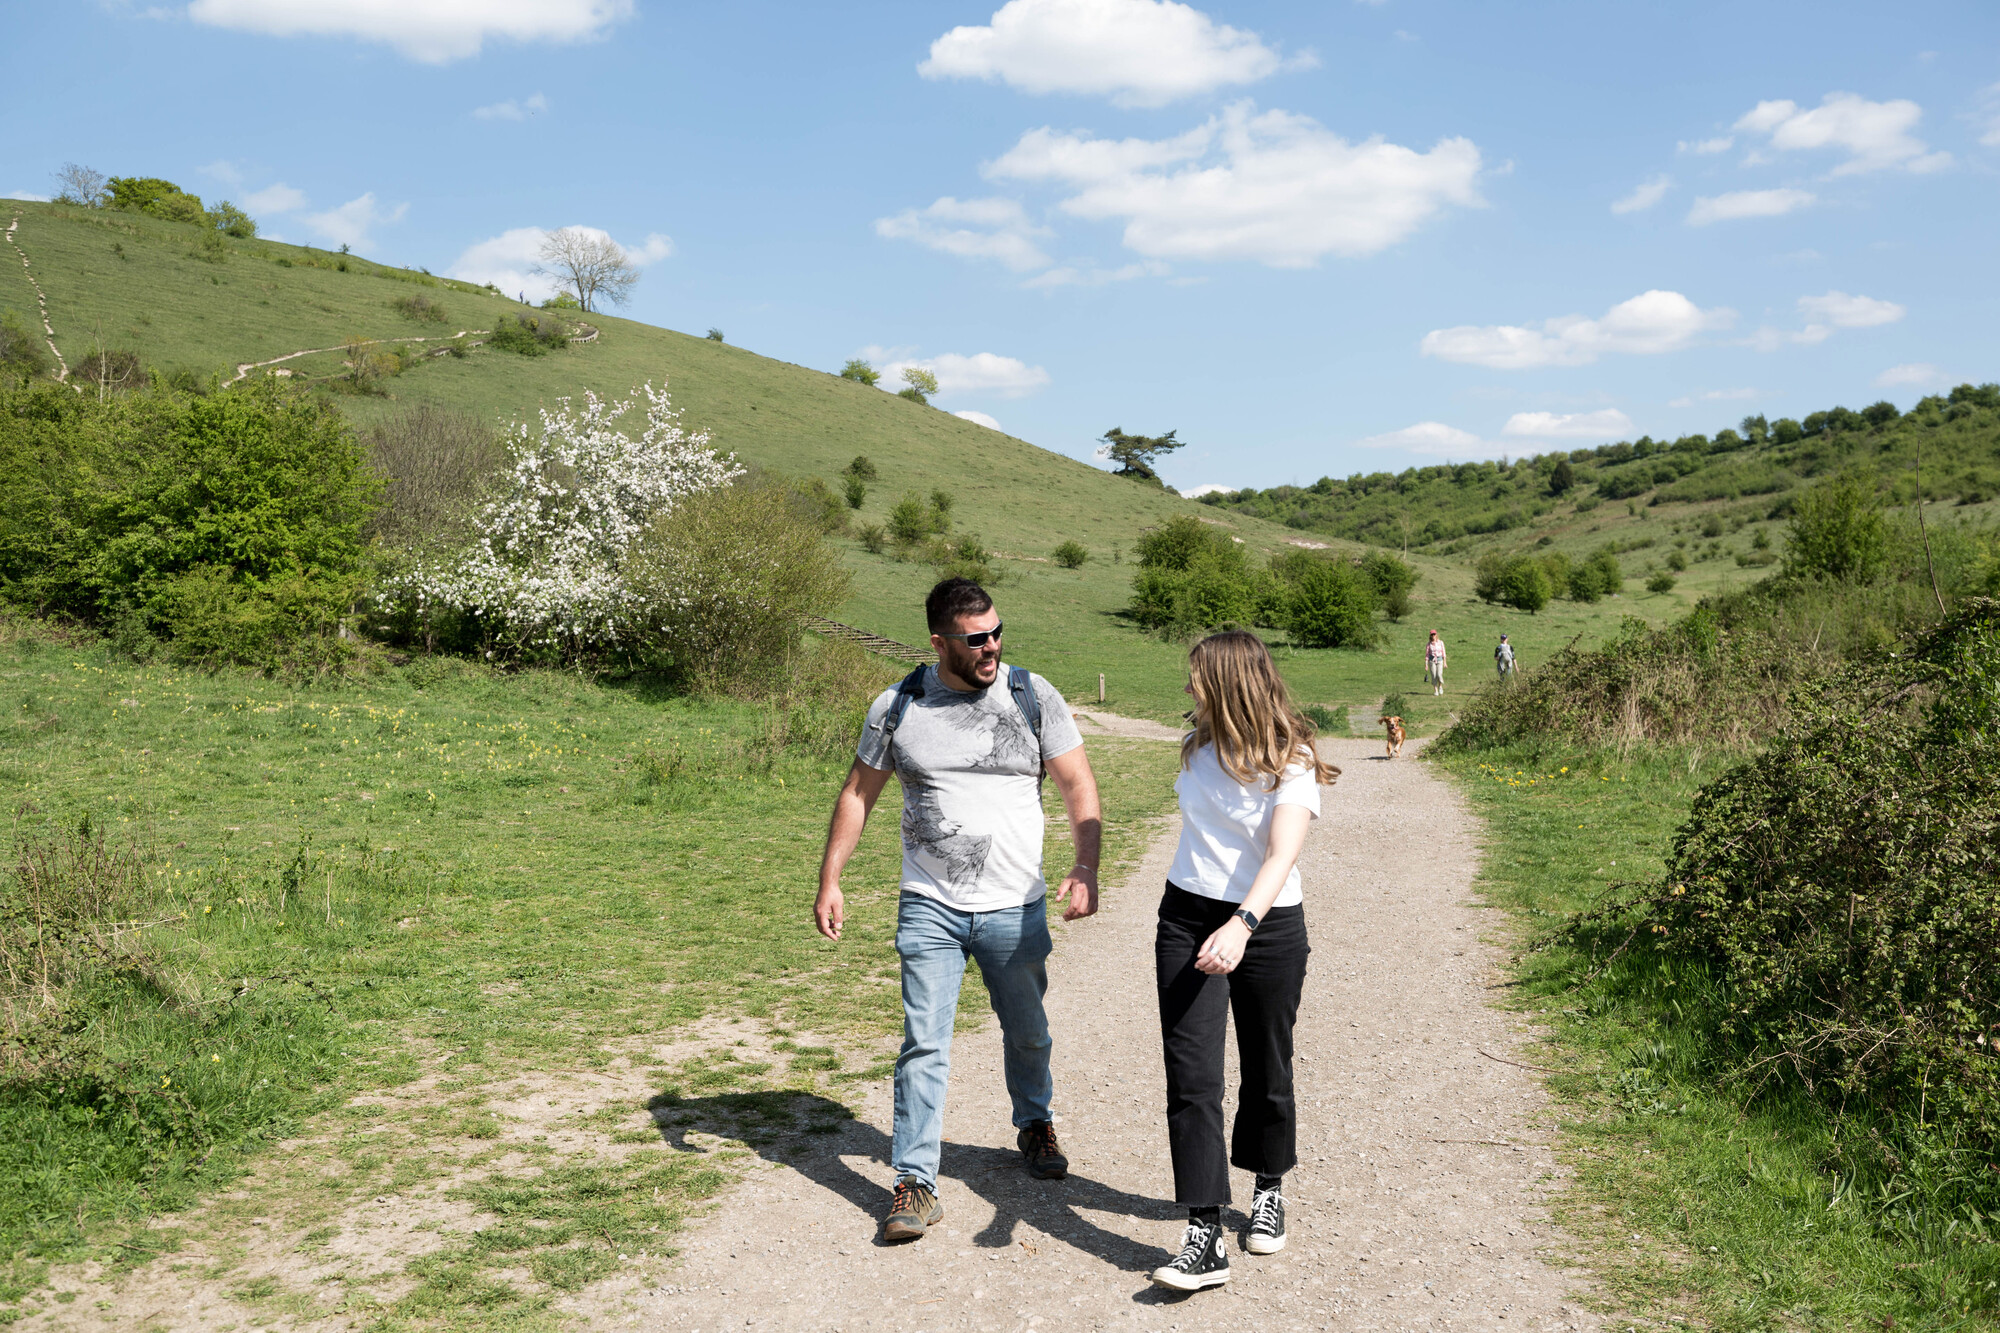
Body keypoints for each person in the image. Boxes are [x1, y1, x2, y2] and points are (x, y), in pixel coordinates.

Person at [814, 578, 1103, 1244]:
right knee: (923, 1043)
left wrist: (1085, 864)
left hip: (1015, 908)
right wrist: (831, 877)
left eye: (998, 632)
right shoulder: (898, 706)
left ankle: (1034, 1122)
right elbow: (859, 793)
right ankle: (916, 1181)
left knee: (1027, 1031)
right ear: (940, 641)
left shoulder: (1034, 695)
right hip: (930, 906)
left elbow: (1077, 783)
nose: (992, 647)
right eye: (976, 638)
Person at [1150, 631, 1339, 1293]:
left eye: (1197, 676)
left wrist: (1242, 923)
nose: (1188, 687)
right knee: (1192, 1075)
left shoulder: (1294, 759)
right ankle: (1204, 1232)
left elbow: (1282, 851)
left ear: (1229, 681)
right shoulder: (1199, 745)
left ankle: (1267, 1188)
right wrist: (1214, 921)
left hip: (1266, 923)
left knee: (1267, 1063)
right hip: (1186, 917)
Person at [1425, 629, 1447, 696]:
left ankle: (1440, 686)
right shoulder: (1429, 644)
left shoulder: (1440, 642)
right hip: (1432, 661)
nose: (1433, 636)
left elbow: (1443, 652)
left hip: (1440, 660)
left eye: (1434, 634)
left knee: (1439, 674)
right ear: (1430, 635)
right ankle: (1436, 690)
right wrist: (1426, 664)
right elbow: (1427, 654)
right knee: (1434, 675)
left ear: (1436, 635)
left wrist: (1445, 662)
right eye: (1432, 634)